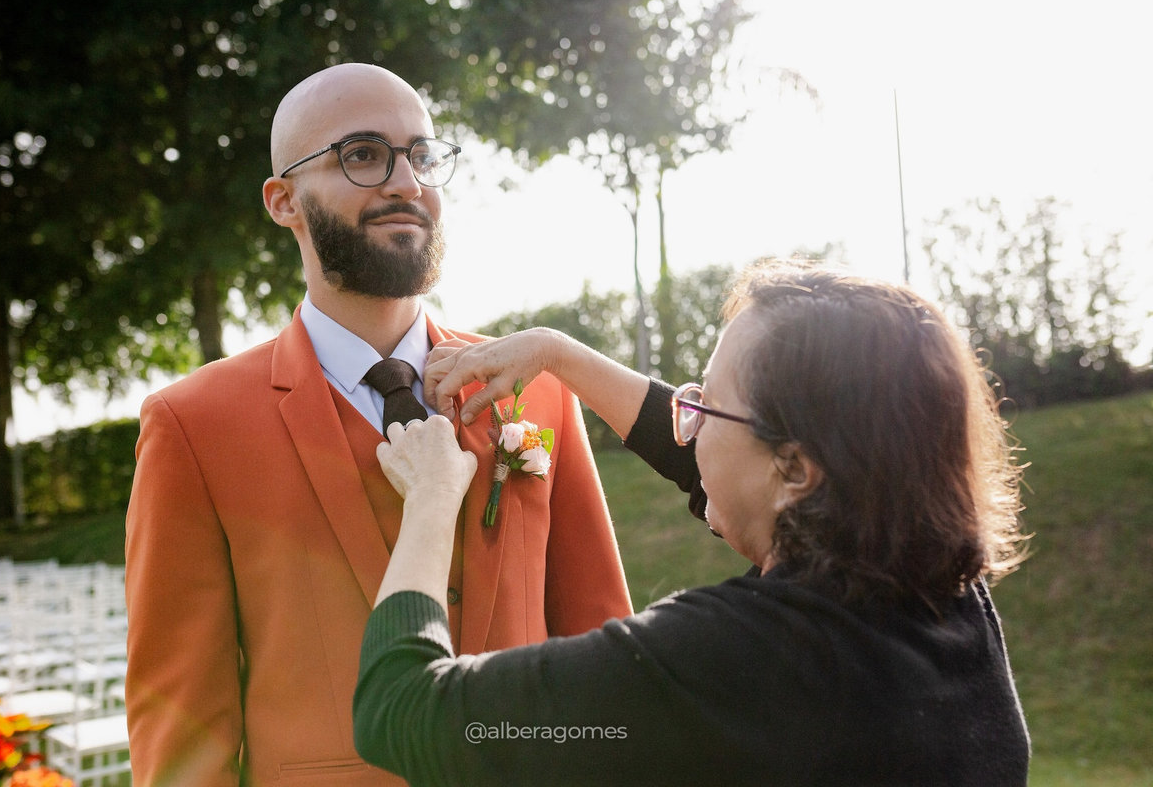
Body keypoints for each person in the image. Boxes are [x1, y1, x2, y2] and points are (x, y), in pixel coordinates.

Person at [123, 63, 632, 787]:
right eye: (362, 155)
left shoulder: (537, 392)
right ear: (283, 201)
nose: (406, 182)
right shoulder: (192, 427)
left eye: (421, 155)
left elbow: (602, 650)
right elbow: (182, 733)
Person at [354, 261, 1031, 785]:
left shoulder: (727, 661)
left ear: (795, 470)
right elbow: (714, 469)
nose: (691, 427)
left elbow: (401, 710)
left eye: (708, 408)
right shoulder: (942, 595)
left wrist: (434, 499)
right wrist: (558, 354)